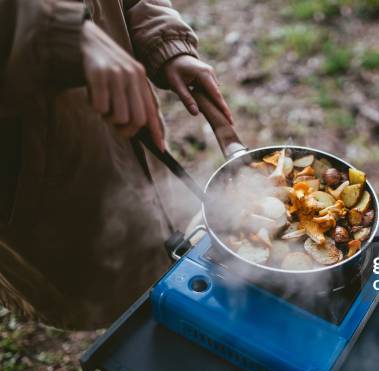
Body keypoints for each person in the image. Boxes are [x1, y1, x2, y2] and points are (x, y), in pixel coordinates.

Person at [0, 0, 233, 329]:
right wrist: (59, 30)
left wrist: (163, 39)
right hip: (40, 168)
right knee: (112, 298)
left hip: (125, 136)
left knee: (157, 249)